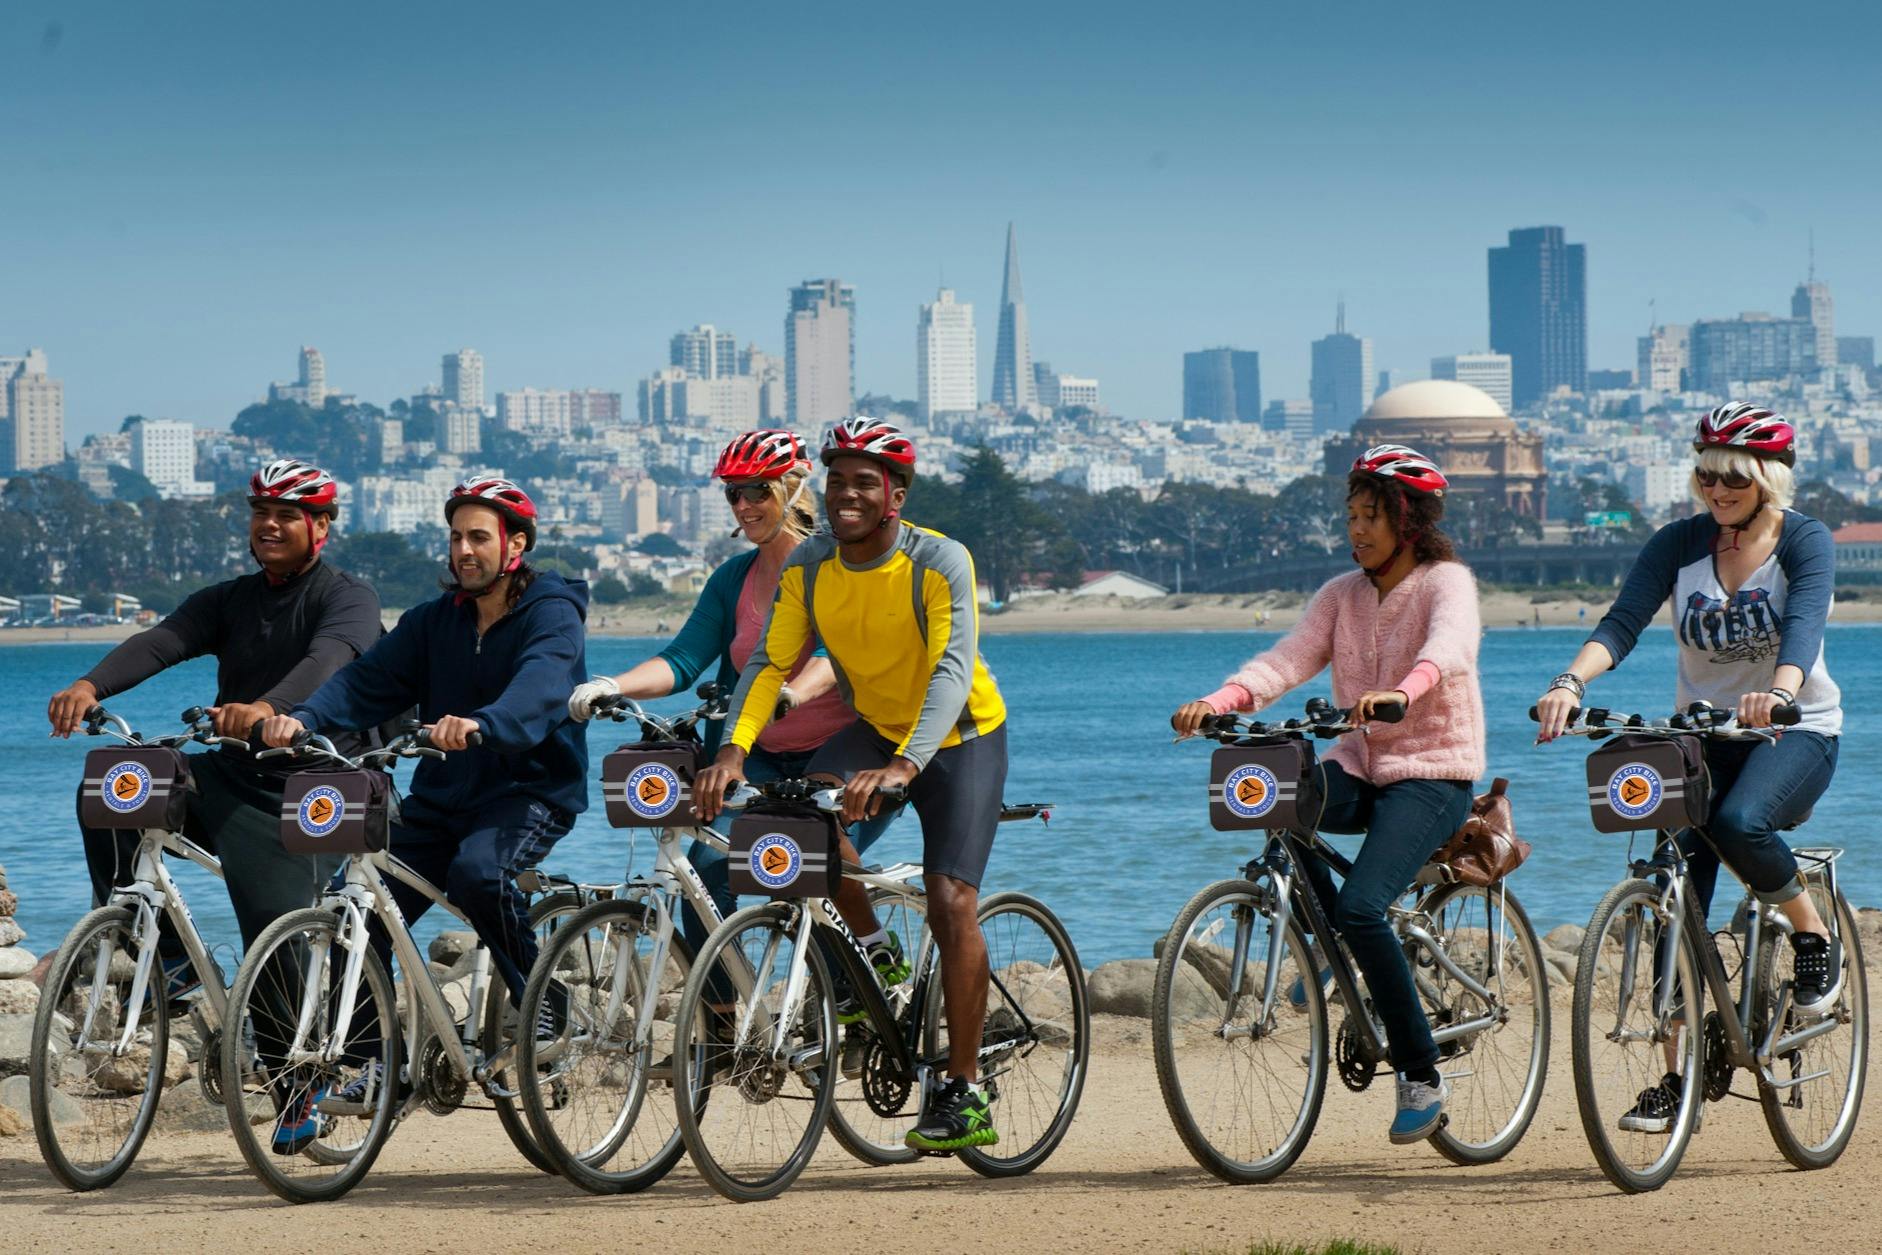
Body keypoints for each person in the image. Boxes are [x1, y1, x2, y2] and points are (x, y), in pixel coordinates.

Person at [693, 416, 1010, 1153]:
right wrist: (734, 752)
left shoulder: (939, 559)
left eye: (866, 480)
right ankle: (873, 952)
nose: (847, 493)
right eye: (837, 479)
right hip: (875, 725)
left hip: (961, 734)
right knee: (801, 821)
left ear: (895, 495)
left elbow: (951, 671)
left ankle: (963, 1088)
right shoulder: (810, 563)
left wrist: (905, 765)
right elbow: (768, 663)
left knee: (950, 899)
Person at [1534, 403, 1844, 1133]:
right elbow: (1622, 622)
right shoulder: (1679, 543)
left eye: (1731, 475)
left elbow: (1804, 626)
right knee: (1675, 903)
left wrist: (1783, 692)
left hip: (1792, 732)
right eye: (1705, 474)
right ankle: (1678, 1080)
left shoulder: (1804, 539)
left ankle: (1813, 934)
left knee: (1740, 820)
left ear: (1765, 476)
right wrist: (1570, 684)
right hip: (1703, 736)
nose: (1716, 488)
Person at [1170, 443, 1484, 1145]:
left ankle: (1420, 1073)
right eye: (1351, 516)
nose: (1358, 529)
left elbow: (1449, 648)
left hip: (1434, 772)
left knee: (1364, 904)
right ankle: (1331, 956)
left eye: (1372, 516)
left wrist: (1404, 693)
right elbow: (1287, 659)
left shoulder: (1445, 583)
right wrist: (1221, 699)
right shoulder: (1341, 594)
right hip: (1361, 765)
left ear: (1410, 521)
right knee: (1281, 798)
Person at [260, 477, 589, 1142]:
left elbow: (543, 683)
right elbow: (365, 681)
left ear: (515, 544)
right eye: (456, 537)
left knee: (478, 873)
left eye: (478, 537)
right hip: (442, 797)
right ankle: (372, 1061)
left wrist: (483, 723)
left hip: (529, 793)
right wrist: (301, 719)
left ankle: (540, 992)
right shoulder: (435, 620)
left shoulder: (552, 610)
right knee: (358, 908)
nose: (463, 549)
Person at [565, 430, 904, 1007]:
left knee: (812, 864)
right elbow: (682, 658)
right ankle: (728, 1021)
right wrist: (608, 685)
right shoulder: (733, 579)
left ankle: (868, 976)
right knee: (703, 868)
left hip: (848, 749)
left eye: (756, 492)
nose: (744, 507)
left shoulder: (833, 565)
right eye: (733, 495)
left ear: (791, 489)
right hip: (757, 754)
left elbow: (833, 656)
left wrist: (792, 693)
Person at [47, 459, 382, 1010]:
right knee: (119, 783)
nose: (269, 525)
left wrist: (266, 709)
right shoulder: (230, 599)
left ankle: (301, 1089)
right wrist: (89, 686)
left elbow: (328, 659)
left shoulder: (349, 597)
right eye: (260, 513)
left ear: (321, 527)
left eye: (287, 515)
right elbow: (162, 640)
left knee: (274, 944)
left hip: (323, 785)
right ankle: (173, 963)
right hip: (236, 771)